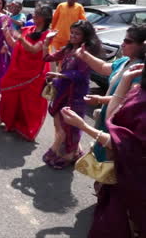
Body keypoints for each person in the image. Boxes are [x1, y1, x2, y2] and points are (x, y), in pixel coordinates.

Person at [60, 61, 146, 238]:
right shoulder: (139, 91)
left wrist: (83, 126)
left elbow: (120, 143)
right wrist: (125, 81)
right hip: (123, 178)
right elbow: (113, 123)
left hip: (135, 186)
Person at [73, 24, 146, 162]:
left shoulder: (139, 70)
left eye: (128, 41)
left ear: (142, 45)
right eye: (124, 40)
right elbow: (103, 67)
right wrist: (85, 55)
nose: (122, 44)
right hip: (107, 117)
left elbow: (129, 100)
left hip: (119, 123)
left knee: (109, 166)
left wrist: (101, 99)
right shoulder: (125, 61)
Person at [42, 20, 103, 169]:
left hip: (75, 93)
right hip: (62, 90)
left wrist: (59, 75)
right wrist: (47, 42)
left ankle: (67, 155)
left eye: (77, 34)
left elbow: (81, 75)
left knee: (69, 125)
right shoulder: (68, 49)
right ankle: (75, 152)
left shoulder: (85, 52)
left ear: (85, 36)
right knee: (58, 122)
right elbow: (47, 58)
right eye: (72, 32)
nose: (73, 36)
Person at [0, 6, 52, 141]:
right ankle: (9, 121)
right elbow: (16, 45)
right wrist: (6, 33)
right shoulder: (28, 29)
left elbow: (34, 50)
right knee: (9, 92)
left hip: (34, 73)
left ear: (44, 18)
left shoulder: (48, 35)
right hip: (18, 69)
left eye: (37, 14)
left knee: (29, 102)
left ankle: (25, 128)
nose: (33, 15)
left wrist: (21, 39)